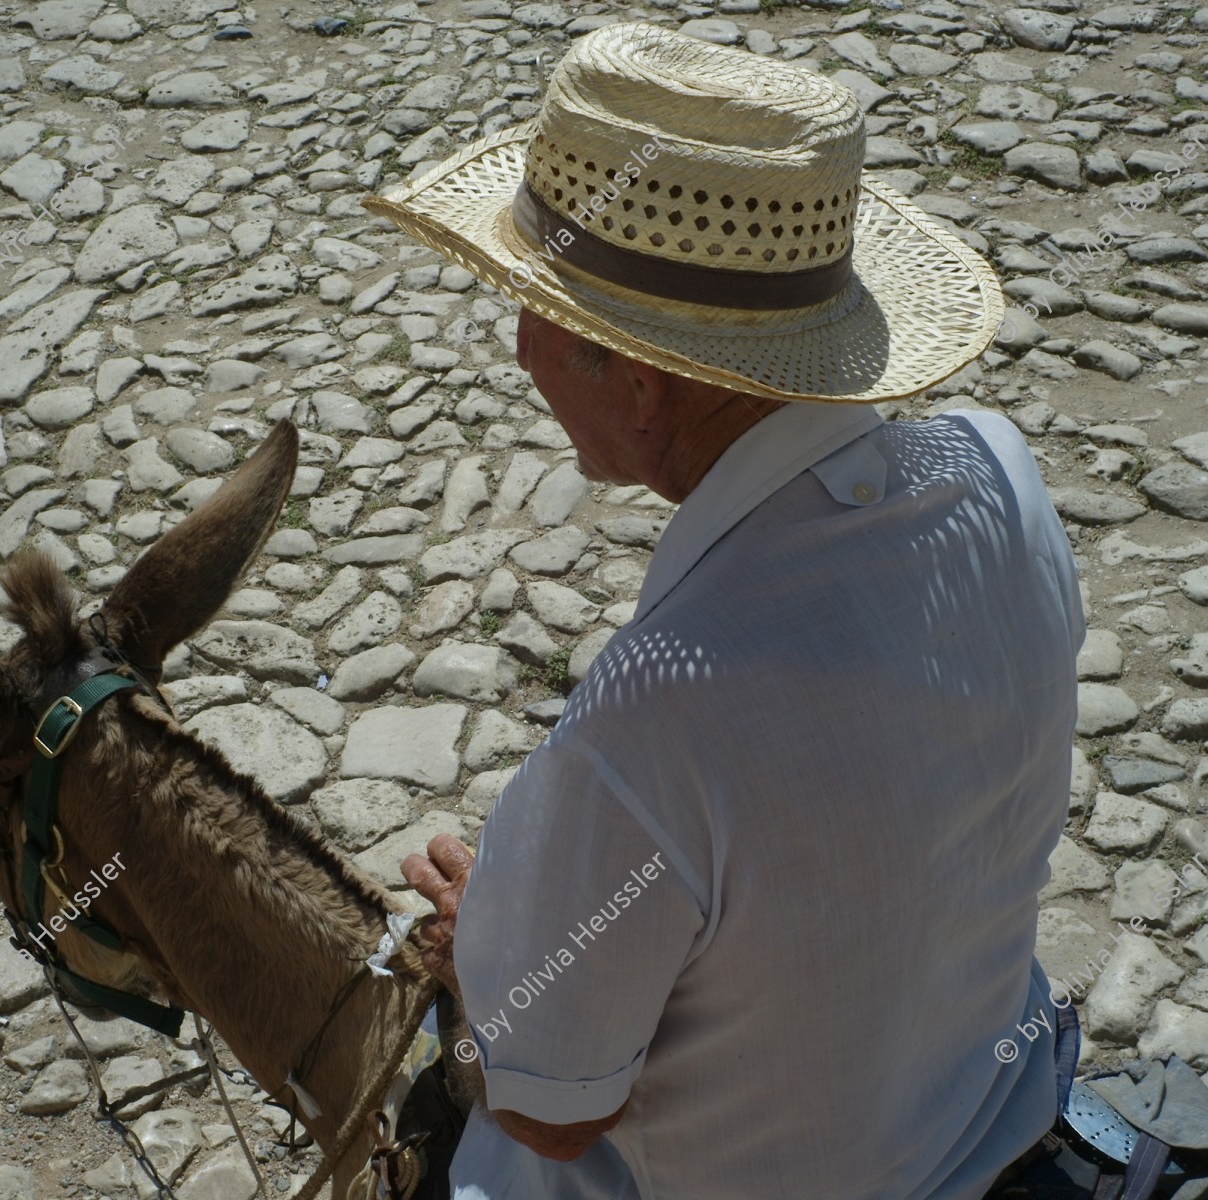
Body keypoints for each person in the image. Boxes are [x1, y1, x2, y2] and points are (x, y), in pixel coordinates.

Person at [372, 22, 1086, 1200]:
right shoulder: (999, 472)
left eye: (535, 313)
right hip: (983, 1110)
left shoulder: (657, 713)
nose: (516, 346)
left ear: (642, 384)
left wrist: (492, 962)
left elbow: (555, 1117)